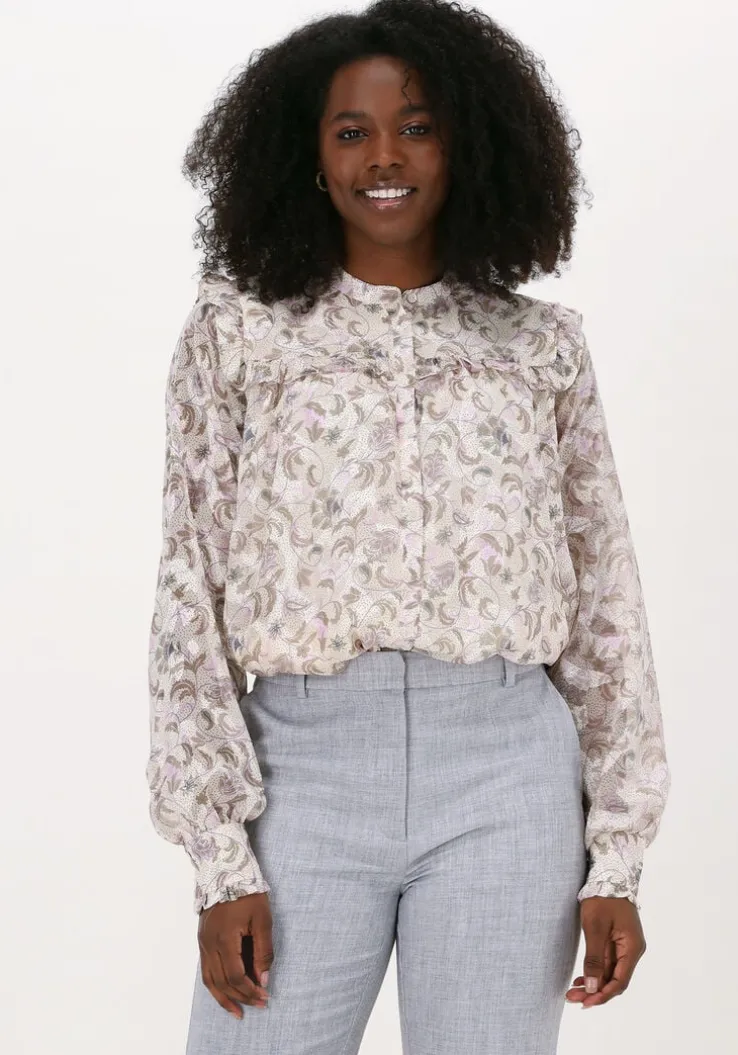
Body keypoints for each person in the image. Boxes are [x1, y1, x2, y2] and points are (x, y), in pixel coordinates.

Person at [146, 1, 671, 1051]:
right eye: (352, 131)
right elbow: (188, 589)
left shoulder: (539, 346)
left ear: (466, 145)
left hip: (508, 777)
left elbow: (606, 596)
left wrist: (615, 856)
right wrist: (218, 856)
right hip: (299, 774)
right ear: (308, 155)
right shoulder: (240, 335)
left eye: (417, 127)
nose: (384, 156)